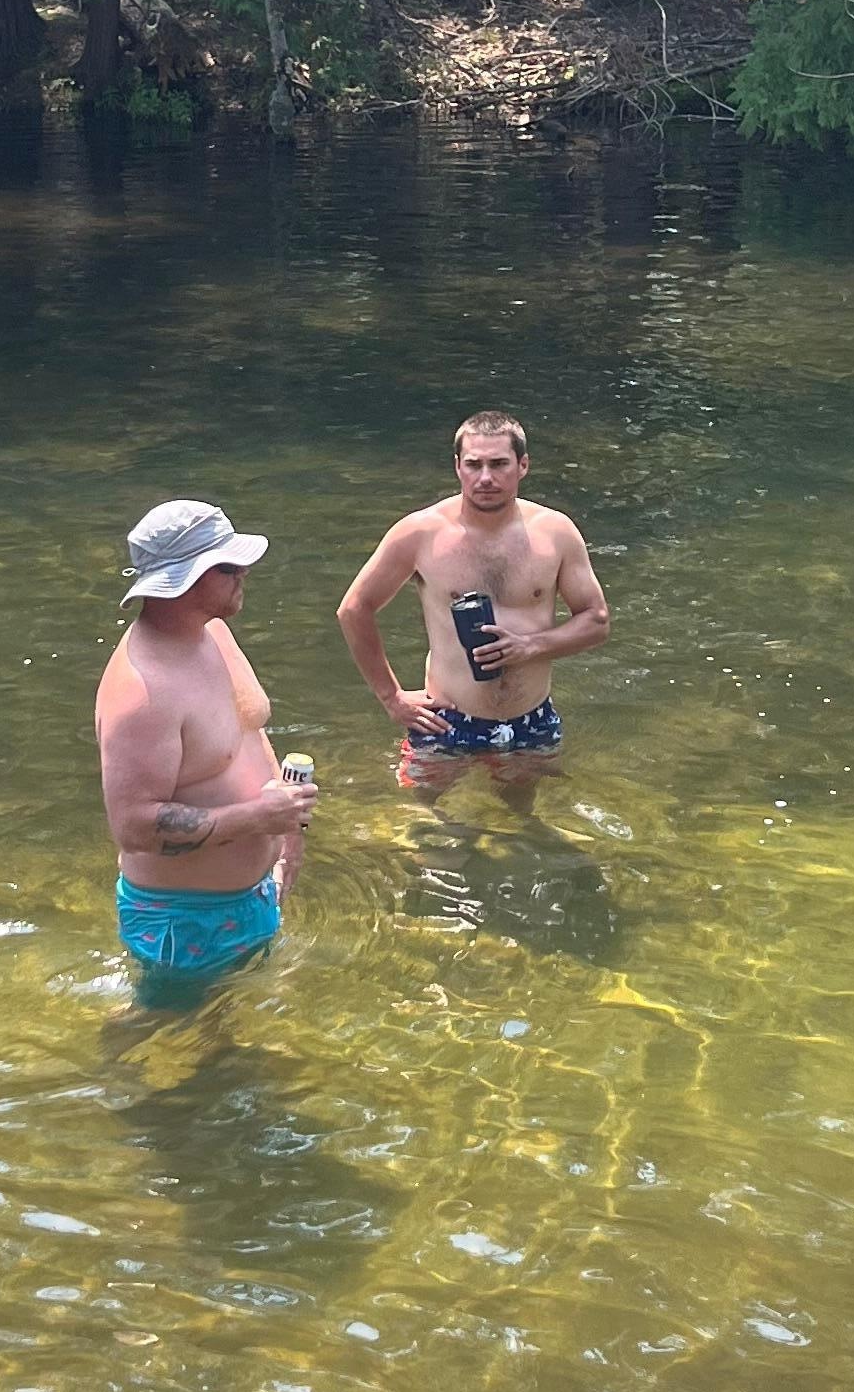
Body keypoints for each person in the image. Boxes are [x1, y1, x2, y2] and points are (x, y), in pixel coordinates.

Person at [98, 497, 318, 989]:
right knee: (157, 1046)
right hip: (183, 923)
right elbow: (133, 826)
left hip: (255, 896)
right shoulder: (142, 689)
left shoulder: (213, 632)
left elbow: (247, 737)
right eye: (228, 566)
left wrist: (286, 848)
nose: (244, 571)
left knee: (227, 1047)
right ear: (183, 579)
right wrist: (258, 820)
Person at [336, 410, 611, 781]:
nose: (485, 478)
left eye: (499, 464)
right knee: (427, 824)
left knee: (523, 821)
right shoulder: (421, 532)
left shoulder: (555, 532)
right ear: (457, 467)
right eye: (474, 464)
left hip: (531, 720)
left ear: (523, 465)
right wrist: (393, 698)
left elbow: (595, 621)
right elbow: (354, 609)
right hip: (444, 721)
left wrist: (531, 646)